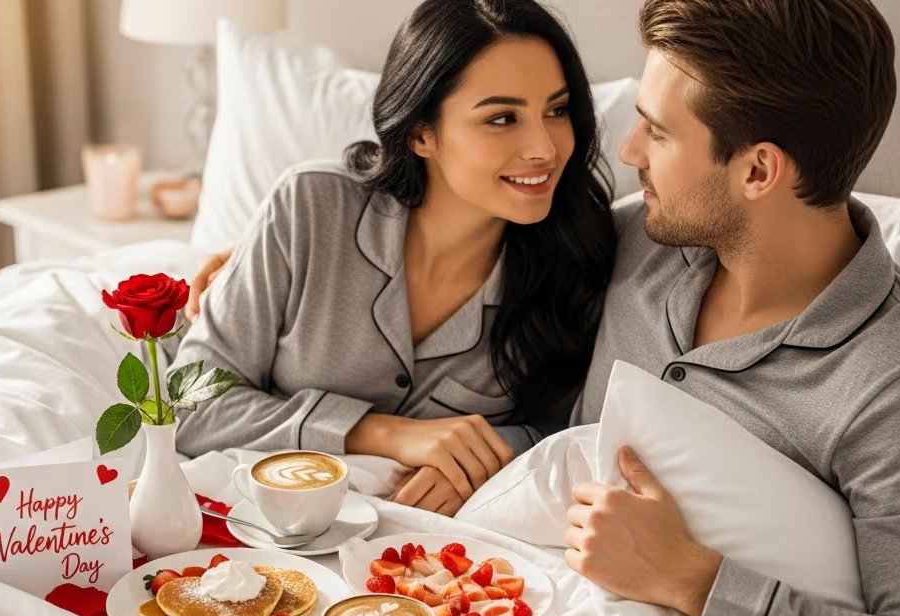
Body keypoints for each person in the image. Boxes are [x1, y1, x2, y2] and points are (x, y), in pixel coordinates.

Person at [559, 0, 900, 616]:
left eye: (658, 132)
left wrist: (694, 580)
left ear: (759, 169)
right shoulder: (643, 241)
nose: (630, 151)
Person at [172, 0, 617, 516]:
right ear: (421, 133)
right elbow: (189, 402)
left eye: (557, 110)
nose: (545, 148)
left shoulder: (582, 256)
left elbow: (574, 430)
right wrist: (382, 432)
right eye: (501, 118)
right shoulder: (310, 208)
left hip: (426, 554)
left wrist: (490, 455)